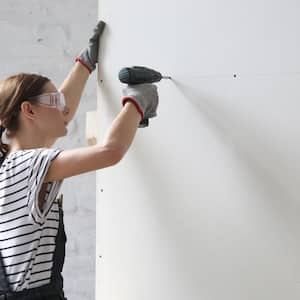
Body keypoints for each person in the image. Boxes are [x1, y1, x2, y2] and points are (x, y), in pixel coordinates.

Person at [0, 20, 159, 300]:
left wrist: (86, 62)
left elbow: (65, 111)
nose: (64, 107)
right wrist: (137, 101)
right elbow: (110, 151)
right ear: (29, 111)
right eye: (54, 101)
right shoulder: (28, 165)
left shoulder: (13, 163)